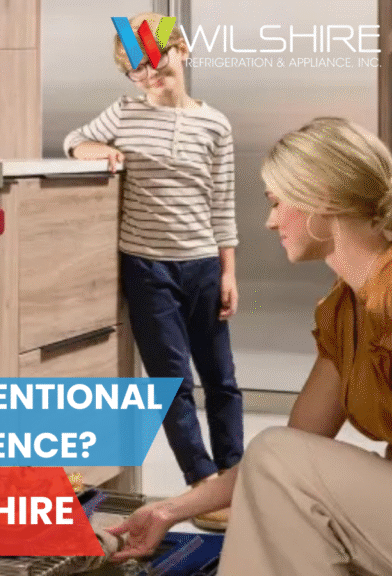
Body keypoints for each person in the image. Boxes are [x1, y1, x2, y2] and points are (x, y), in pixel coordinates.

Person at [107, 116, 392, 576]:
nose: (270, 220)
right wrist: (169, 509)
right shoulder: (344, 311)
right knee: (279, 467)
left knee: (276, 458)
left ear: (320, 197)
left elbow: (279, 457)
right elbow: (294, 450)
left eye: (277, 203)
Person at [63, 12, 243, 530]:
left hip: (203, 264)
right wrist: (99, 150)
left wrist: (229, 271)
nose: (146, 77)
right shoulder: (123, 113)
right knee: (171, 381)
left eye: (154, 62)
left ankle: (235, 472)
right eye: (135, 70)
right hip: (146, 267)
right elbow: (74, 139)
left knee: (222, 378)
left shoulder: (216, 123)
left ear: (181, 51)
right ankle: (203, 484)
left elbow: (223, 201)